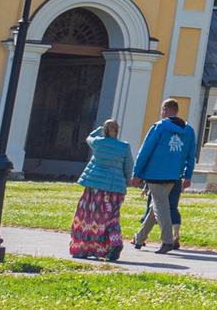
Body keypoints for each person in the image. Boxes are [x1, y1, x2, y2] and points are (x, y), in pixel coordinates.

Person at [128, 98, 197, 253]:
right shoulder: (189, 130)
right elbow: (191, 154)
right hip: (174, 174)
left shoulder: (158, 127)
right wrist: (188, 174)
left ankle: (167, 241)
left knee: (161, 207)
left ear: (165, 110)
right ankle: (139, 238)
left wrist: (136, 173)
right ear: (177, 111)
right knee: (156, 206)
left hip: (156, 173)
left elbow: (145, 151)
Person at [68, 118, 132, 261]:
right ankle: (115, 242)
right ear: (117, 130)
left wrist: (99, 130)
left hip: (94, 187)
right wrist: (127, 180)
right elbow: (128, 167)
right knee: (111, 216)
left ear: (105, 130)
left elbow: (89, 137)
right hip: (115, 188)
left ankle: (83, 248)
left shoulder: (98, 143)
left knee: (87, 216)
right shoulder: (124, 147)